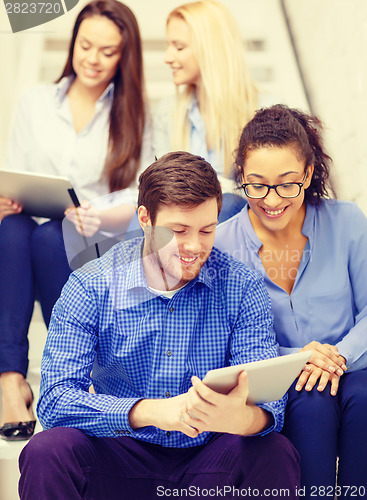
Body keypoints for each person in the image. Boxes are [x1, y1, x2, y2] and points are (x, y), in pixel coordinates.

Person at [18, 152, 300, 500]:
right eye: (178, 231)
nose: (195, 246)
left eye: (207, 230)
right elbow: (55, 401)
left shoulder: (241, 286)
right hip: (119, 454)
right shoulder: (90, 285)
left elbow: (270, 407)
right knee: (47, 451)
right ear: (145, 220)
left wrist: (238, 419)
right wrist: (151, 411)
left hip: (207, 463)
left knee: (275, 453)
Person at [0, 0, 153, 441]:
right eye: (85, 45)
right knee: (13, 229)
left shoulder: (136, 114)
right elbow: (18, 169)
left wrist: (99, 215)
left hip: (99, 237)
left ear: (125, 56)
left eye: (108, 52)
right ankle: (11, 379)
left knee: (51, 237)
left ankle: (69, 370)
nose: (92, 59)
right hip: (36, 228)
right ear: (73, 44)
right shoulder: (35, 102)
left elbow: (143, 192)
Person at [215, 104, 367, 498]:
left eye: (287, 183)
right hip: (282, 383)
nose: (272, 199)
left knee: (364, 399)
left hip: (354, 369)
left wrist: (338, 356)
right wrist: (301, 357)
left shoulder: (348, 222)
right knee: (311, 406)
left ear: (309, 174)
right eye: (257, 184)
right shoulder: (221, 246)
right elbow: (225, 340)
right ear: (241, 180)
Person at [153, 0, 260, 222]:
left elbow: (266, 189)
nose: (167, 57)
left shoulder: (262, 110)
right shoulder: (167, 113)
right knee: (142, 216)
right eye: (168, 46)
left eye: (179, 47)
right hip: (182, 223)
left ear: (210, 49)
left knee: (228, 204)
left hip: (236, 223)